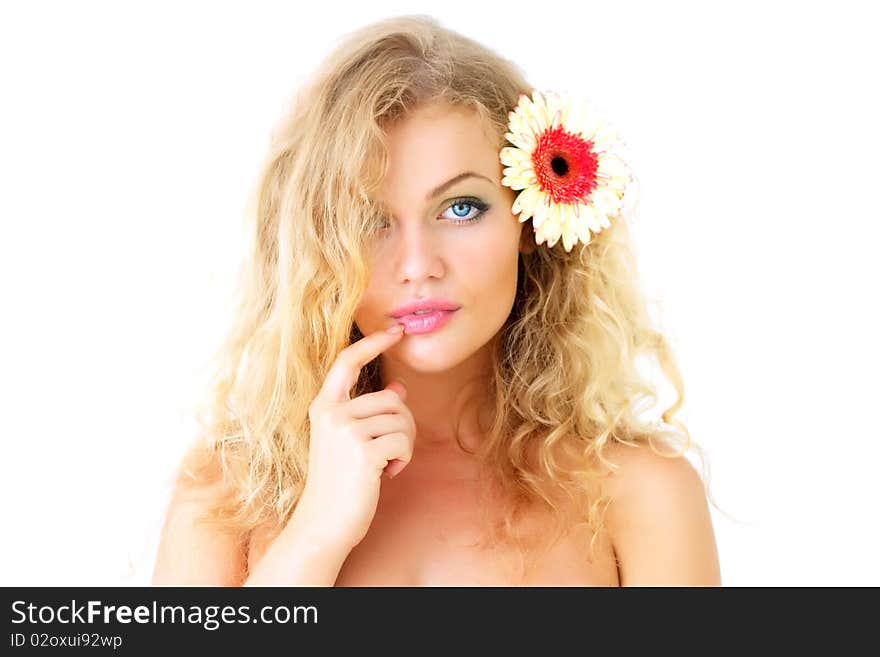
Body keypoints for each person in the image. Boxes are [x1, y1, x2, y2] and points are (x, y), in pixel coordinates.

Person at [152, 14, 721, 586]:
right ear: (316, 247)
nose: (419, 264)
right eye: (369, 220)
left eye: (460, 208)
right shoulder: (227, 498)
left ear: (529, 218)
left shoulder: (640, 495)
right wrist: (316, 534)